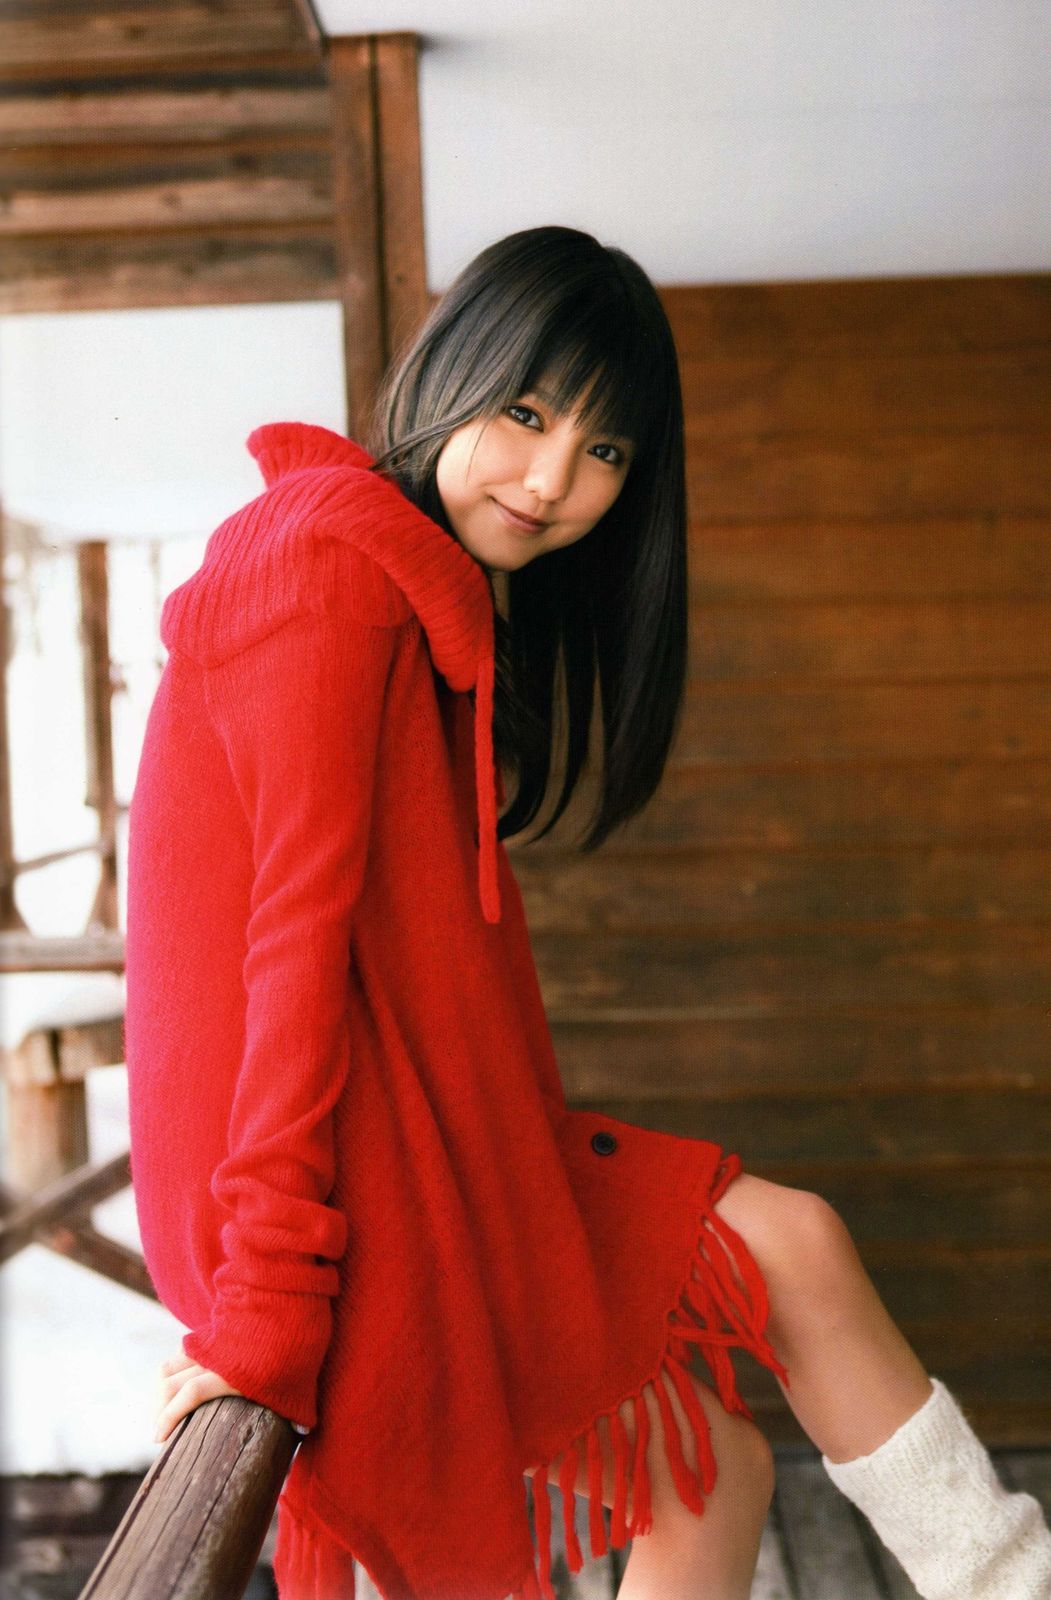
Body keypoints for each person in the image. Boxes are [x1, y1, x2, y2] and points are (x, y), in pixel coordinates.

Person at [128, 226, 1051, 1600]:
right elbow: (289, 954)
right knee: (769, 1319)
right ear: (451, 373)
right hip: (325, 1189)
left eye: (605, 449)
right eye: (526, 412)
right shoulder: (322, 567)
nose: (554, 480)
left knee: (725, 1440)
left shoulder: (412, 594)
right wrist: (263, 1305)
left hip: (435, 1136)